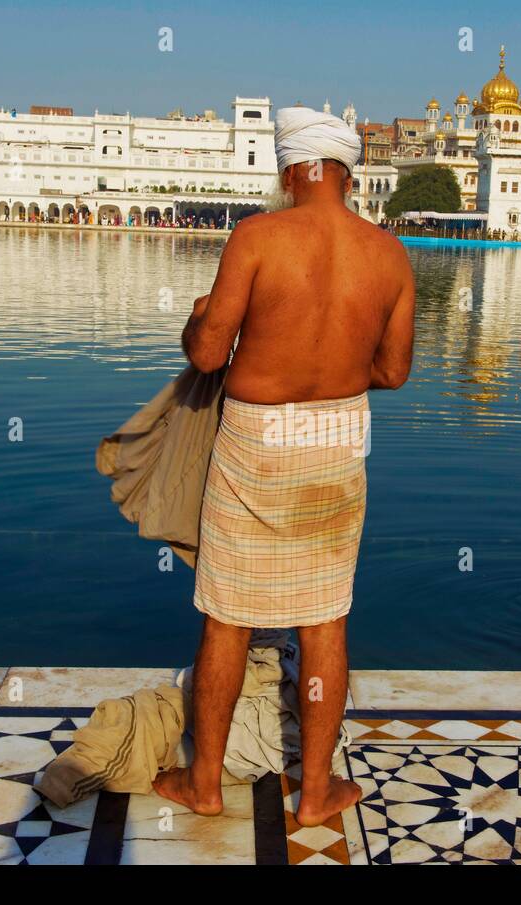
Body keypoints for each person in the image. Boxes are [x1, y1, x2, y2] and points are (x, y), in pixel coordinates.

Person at [153, 106, 415, 828]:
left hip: (256, 441)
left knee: (228, 619)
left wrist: (201, 316)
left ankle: (204, 783)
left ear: (294, 169)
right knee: (325, 619)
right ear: (346, 171)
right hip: (339, 441)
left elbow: (207, 353)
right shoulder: (388, 254)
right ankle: (316, 792)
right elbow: (393, 372)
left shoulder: (258, 237)